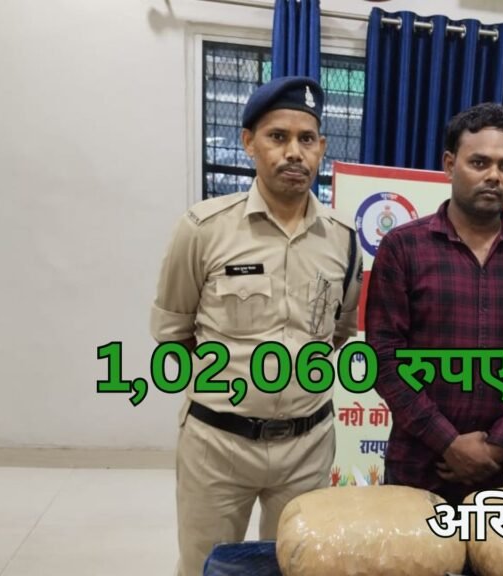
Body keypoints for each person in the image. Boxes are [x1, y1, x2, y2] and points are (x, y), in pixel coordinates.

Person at [150, 76, 362, 576]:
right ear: (249, 142)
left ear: (321, 147)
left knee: (300, 567)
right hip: (218, 443)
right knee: (205, 566)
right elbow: (173, 331)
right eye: (277, 137)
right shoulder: (203, 229)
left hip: (307, 447)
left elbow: (337, 331)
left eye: (306, 139)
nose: (293, 152)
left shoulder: (343, 240)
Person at [365, 103, 503, 506]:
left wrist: (499, 446)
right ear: (450, 165)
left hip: (500, 471)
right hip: (419, 465)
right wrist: (449, 443)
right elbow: (385, 360)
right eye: (479, 162)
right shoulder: (403, 247)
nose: (494, 176)